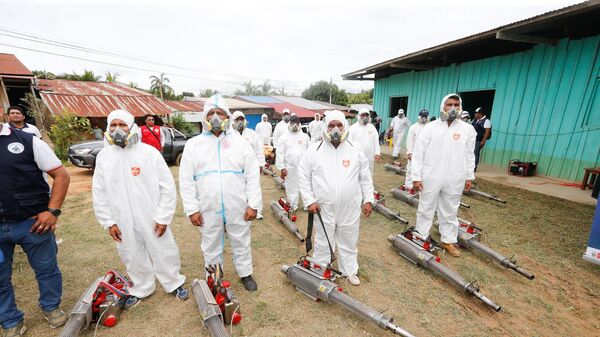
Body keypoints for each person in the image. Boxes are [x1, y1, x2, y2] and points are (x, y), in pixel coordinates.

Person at [92, 109, 188, 308]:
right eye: (113, 125)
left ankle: (173, 282)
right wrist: (109, 222)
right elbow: (99, 192)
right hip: (121, 217)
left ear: (132, 127)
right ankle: (142, 286)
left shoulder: (149, 153)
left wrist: (163, 217)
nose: (118, 129)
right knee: (130, 252)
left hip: (151, 214)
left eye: (122, 125)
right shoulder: (104, 157)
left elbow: (167, 187)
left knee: (163, 248)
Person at [179, 94, 262, 291]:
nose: (215, 117)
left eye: (220, 113)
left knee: (241, 239)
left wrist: (253, 204)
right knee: (210, 243)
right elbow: (186, 181)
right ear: (205, 117)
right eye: (211, 113)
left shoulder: (240, 143)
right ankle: (213, 278)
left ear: (228, 116)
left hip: (237, 203)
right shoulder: (193, 145)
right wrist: (191, 209)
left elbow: (252, 176)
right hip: (208, 205)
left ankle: (245, 273)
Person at [0, 122, 71, 336]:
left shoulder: (27, 140)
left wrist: (53, 211)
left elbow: (62, 175)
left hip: (31, 224)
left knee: (46, 269)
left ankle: (51, 307)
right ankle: (10, 319)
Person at [298, 110, 374, 286]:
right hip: (323, 207)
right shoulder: (314, 150)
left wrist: (368, 199)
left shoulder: (355, 150)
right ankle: (322, 270)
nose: (335, 129)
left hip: (350, 206)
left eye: (339, 125)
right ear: (325, 127)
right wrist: (309, 200)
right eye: (331, 125)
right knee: (324, 240)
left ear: (345, 126)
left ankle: (349, 271)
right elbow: (303, 175)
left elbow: (365, 177)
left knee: (348, 239)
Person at [411, 94, 476, 257]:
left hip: (455, 177)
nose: (452, 108)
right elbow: (418, 154)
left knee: (450, 209)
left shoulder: (467, 130)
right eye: (449, 104)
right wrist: (416, 177)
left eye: (456, 104)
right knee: (426, 207)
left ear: (460, 107)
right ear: (442, 106)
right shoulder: (431, 128)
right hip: (431, 175)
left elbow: (470, 155)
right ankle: (421, 237)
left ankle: (448, 240)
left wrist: (469, 176)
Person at [231, 110, 266, 219]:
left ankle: (257, 209)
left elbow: (259, 150)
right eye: (237, 119)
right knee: (237, 188)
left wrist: (261, 164)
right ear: (233, 121)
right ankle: (240, 209)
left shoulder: (252, 134)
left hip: (251, 166)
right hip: (235, 167)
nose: (240, 121)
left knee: (254, 187)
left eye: (242, 119)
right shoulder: (230, 134)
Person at [276, 115, 309, 212]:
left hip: (304, 167)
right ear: (289, 123)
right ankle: (293, 205)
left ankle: (307, 204)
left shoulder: (305, 137)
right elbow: (280, 153)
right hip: (290, 167)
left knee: (305, 185)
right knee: (291, 186)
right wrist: (282, 167)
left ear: (299, 124)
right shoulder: (284, 137)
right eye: (293, 122)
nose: (295, 125)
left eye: (297, 123)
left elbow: (309, 152)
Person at [348, 108, 381, 176]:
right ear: (359, 116)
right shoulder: (353, 128)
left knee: (369, 171)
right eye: (363, 115)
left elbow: (376, 141)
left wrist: (377, 153)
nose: (365, 117)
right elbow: (348, 143)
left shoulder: (372, 128)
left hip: (370, 155)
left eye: (367, 115)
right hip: (357, 156)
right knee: (357, 172)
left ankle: (368, 186)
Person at [404, 109, 429, 189]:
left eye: (425, 116)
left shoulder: (430, 127)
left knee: (424, 170)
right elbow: (409, 140)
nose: (424, 118)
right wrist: (409, 152)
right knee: (410, 169)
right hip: (414, 153)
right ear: (419, 117)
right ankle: (409, 186)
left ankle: (421, 186)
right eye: (422, 116)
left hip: (426, 153)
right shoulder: (413, 127)